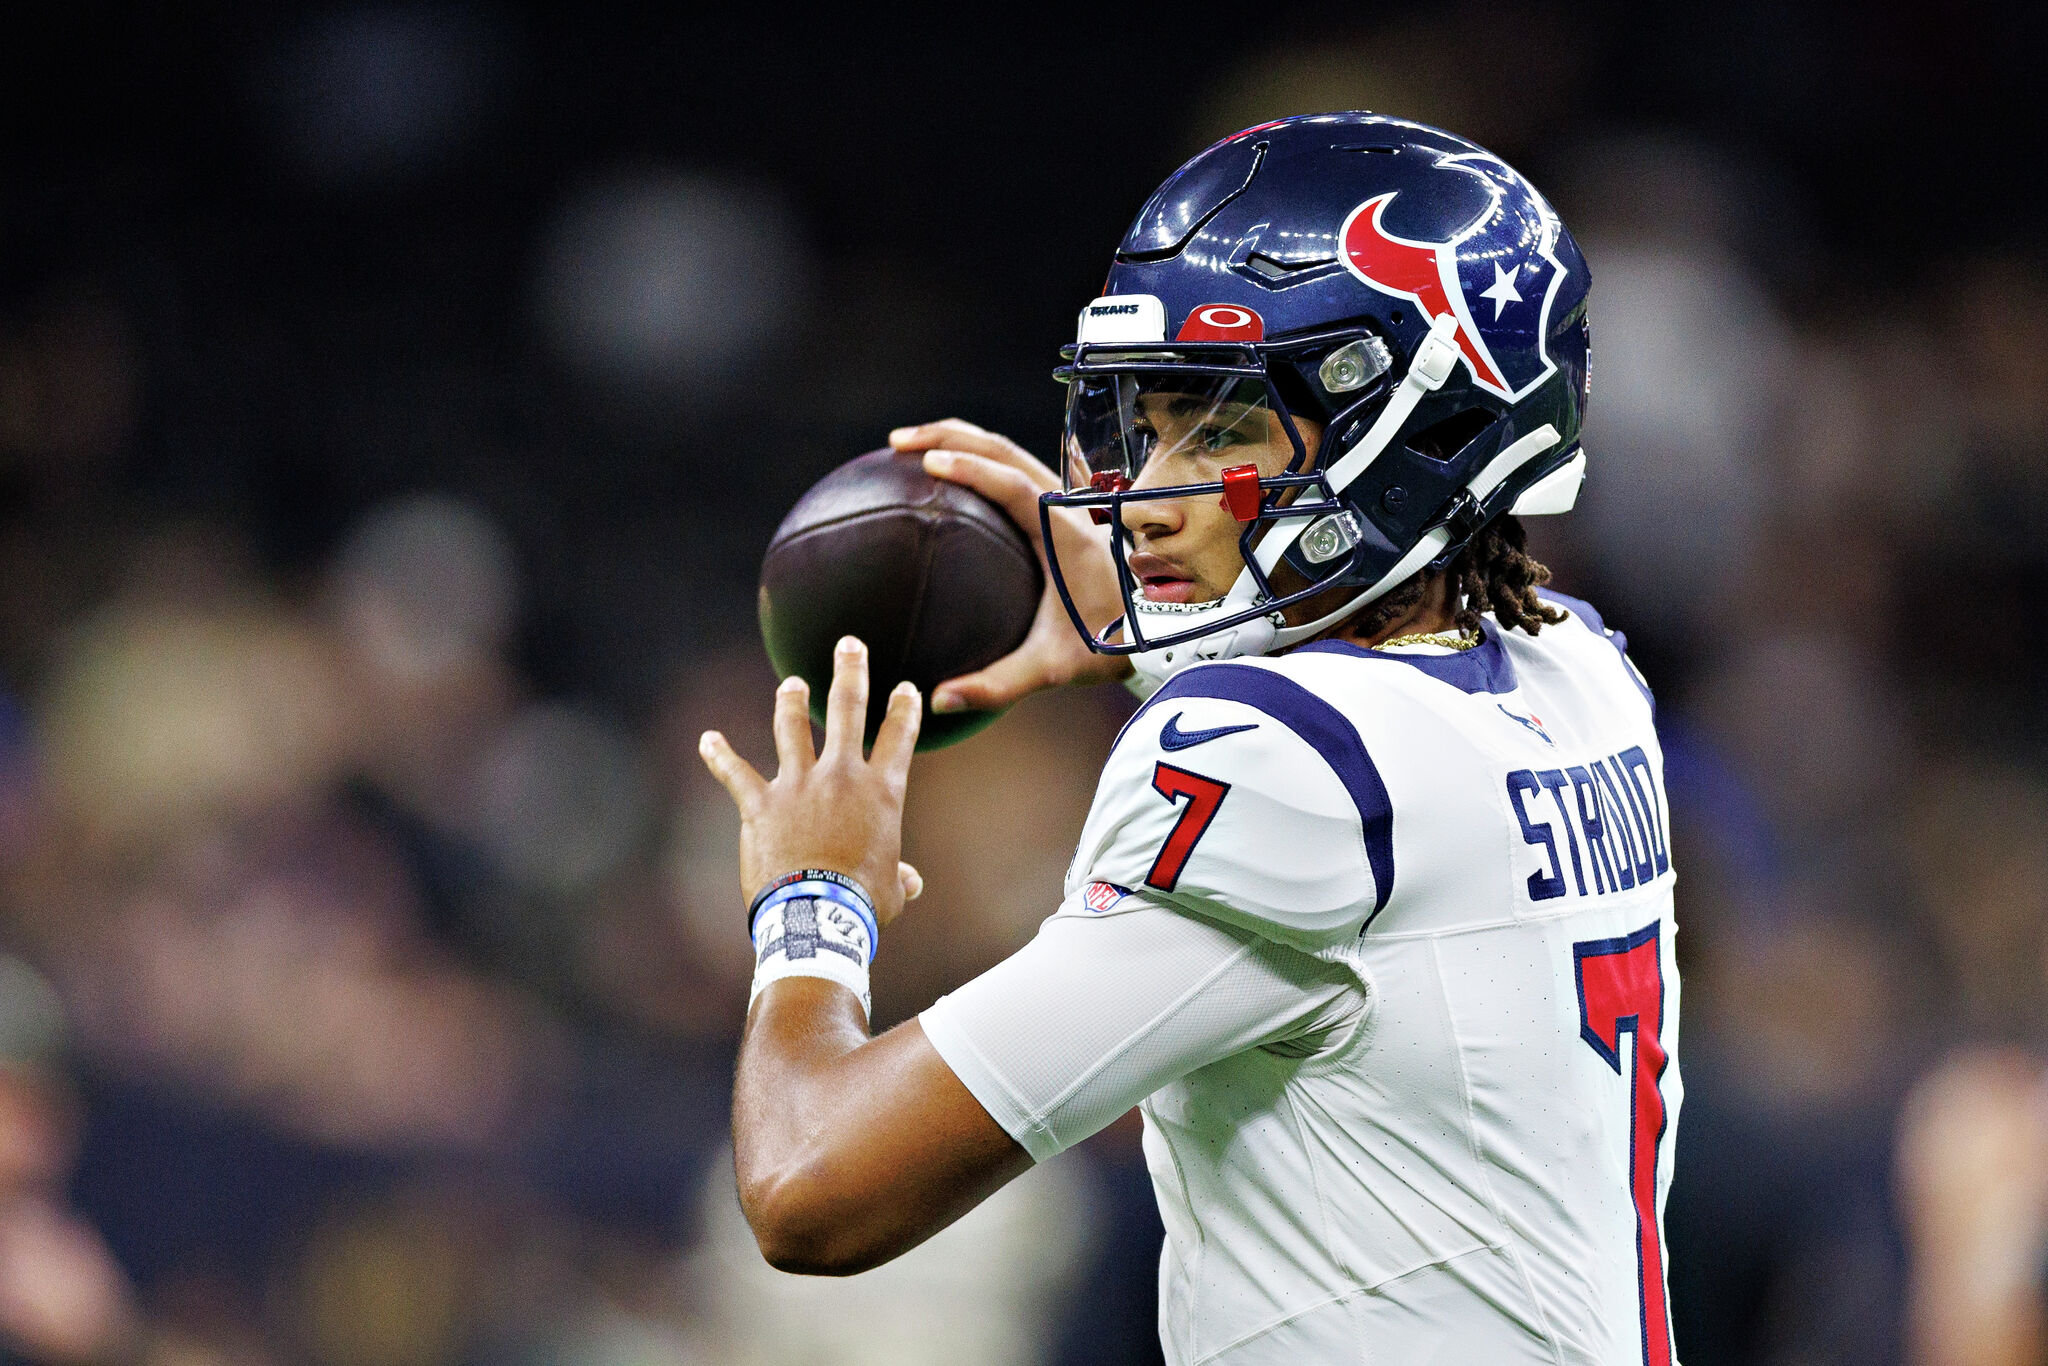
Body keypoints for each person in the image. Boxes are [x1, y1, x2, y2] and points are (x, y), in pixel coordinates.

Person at [698, 113, 1683, 1365]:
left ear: (1419, 430)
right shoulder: (1580, 675)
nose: (1150, 491)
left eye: (1220, 429)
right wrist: (1137, 621)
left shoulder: (1272, 759)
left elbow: (811, 1186)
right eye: (1149, 425)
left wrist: (811, 899)